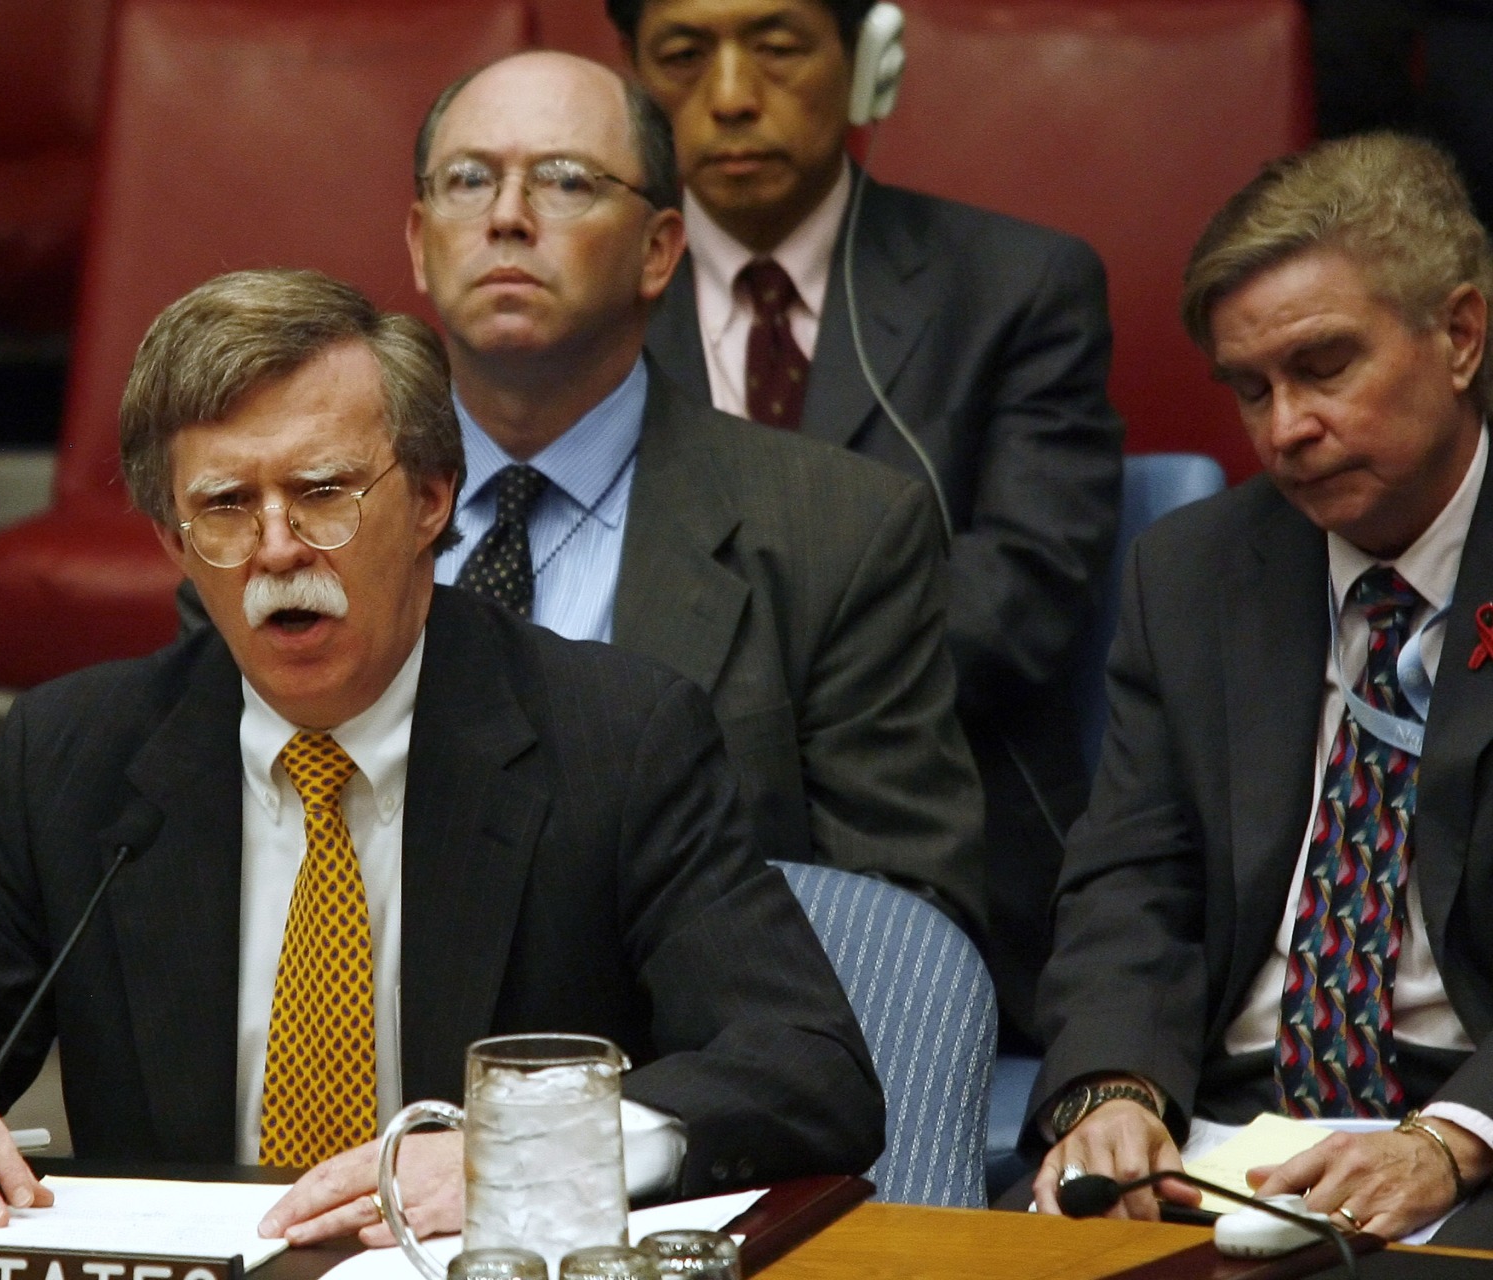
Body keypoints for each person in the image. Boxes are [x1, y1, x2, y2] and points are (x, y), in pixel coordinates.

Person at [0, 269, 884, 1241]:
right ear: (172, 540)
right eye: (226, 506)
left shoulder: (618, 736)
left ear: (434, 499)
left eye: (324, 493)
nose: (278, 551)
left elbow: (803, 1064)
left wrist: (518, 1152)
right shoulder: (80, 752)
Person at [175, 50, 987, 933]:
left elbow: (906, 919)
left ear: (658, 250)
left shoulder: (839, 532)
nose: (509, 218)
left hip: (674, 1047)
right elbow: (208, 852)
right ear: (418, 242)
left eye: (565, 182)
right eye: (469, 181)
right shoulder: (271, 517)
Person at [609, 0, 1126, 1043]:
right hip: (636, 880)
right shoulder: (591, 302)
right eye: (682, 55)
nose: (731, 95)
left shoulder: (1017, 288)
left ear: (865, 60)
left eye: (779, 45)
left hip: (939, 849)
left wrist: (742, 714)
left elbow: (1020, 595)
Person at [1025, 133, 1493, 1246]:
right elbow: (1131, 878)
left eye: (1324, 368)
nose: (1285, 429)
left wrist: (1454, 1135)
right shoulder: (1193, 571)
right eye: (1251, 390)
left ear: (1461, 334)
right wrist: (1115, 1088)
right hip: (1230, 1132)